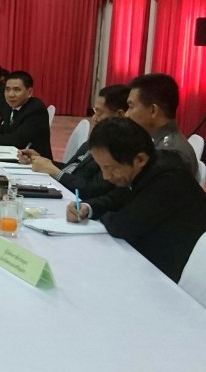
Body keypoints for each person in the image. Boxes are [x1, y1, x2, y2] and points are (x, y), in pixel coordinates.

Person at [66, 118, 206, 283]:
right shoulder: (143, 168)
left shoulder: (168, 178)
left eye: (110, 168)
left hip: (176, 273)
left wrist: (104, 217)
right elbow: (116, 198)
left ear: (140, 159)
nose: (106, 176)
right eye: (101, 167)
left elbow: (123, 226)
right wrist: (87, 208)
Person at [18, 84, 129, 199]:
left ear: (120, 115)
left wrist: (55, 172)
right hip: (63, 189)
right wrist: (41, 160)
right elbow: (73, 168)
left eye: (99, 113)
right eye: (95, 112)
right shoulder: (98, 136)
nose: (94, 118)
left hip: (75, 198)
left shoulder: (118, 147)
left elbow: (92, 189)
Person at [0, 70, 53, 159]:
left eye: (16, 89)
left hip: (35, 162)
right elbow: (6, 127)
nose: (11, 94)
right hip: (14, 154)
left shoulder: (35, 109)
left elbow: (17, 140)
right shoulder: (11, 104)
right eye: (7, 89)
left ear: (29, 92)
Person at [126, 73, 198, 176]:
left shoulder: (172, 154)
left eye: (131, 107)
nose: (126, 115)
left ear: (153, 111)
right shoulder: (151, 141)